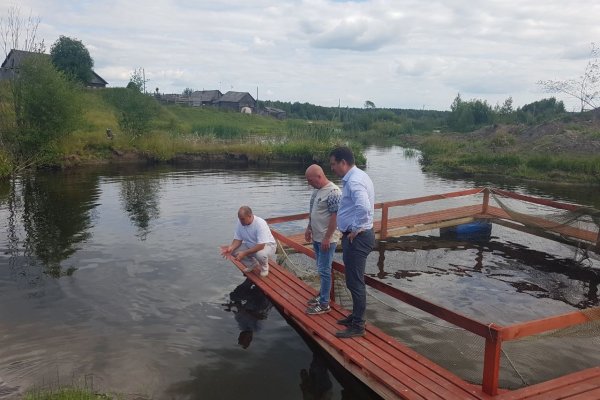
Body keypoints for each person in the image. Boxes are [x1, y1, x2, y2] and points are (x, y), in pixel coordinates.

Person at [329, 147, 375, 338]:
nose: (332, 168)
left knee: (355, 282)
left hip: (358, 238)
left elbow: (364, 207)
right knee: (352, 280)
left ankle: (358, 325)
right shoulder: (357, 176)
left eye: (333, 164)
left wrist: (356, 229)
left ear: (343, 162)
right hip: (356, 237)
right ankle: (355, 316)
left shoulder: (355, 181)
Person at [304, 164, 342, 315]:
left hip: (327, 240)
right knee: (321, 268)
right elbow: (313, 212)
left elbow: (335, 217)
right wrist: (309, 228)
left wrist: (327, 237)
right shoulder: (316, 191)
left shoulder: (334, 192)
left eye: (310, 180)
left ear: (319, 176)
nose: (309, 183)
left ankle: (325, 303)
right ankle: (322, 295)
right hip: (317, 237)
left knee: (325, 270)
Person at [220, 206, 276, 277]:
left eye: (242, 219)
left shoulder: (260, 223)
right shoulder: (240, 222)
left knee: (260, 254)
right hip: (251, 244)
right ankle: (252, 264)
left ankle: (264, 267)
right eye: (239, 219)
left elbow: (261, 246)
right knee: (233, 251)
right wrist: (231, 248)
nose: (240, 221)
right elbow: (238, 239)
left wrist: (244, 253)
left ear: (250, 216)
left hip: (267, 245)